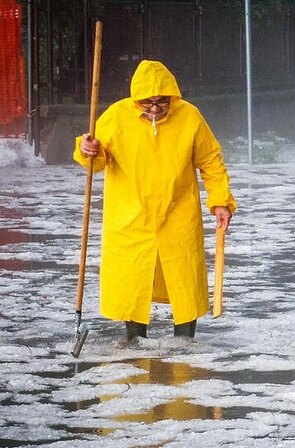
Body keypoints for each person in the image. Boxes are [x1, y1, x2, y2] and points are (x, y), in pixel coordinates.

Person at [73, 59, 236, 342]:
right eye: (149, 103)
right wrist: (87, 148)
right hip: (130, 215)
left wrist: (220, 200)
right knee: (133, 278)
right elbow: (95, 159)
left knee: (184, 278)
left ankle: (185, 340)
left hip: (178, 212)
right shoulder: (116, 116)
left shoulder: (189, 117)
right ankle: (134, 339)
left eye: (162, 102)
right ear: (137, 99)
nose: (156, 108)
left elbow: (210, 160)